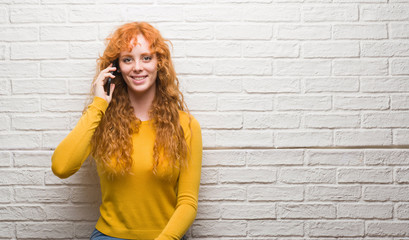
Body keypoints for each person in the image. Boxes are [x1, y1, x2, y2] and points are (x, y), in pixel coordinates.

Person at [51, 22, 202, 240]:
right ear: (116, 67)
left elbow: (188, 202)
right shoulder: (101, 121)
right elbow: (61, 167)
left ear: (160, 63)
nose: (137, 67)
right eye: (127, 59)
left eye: (146, 58)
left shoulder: (186, 126)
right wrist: (98, 105)